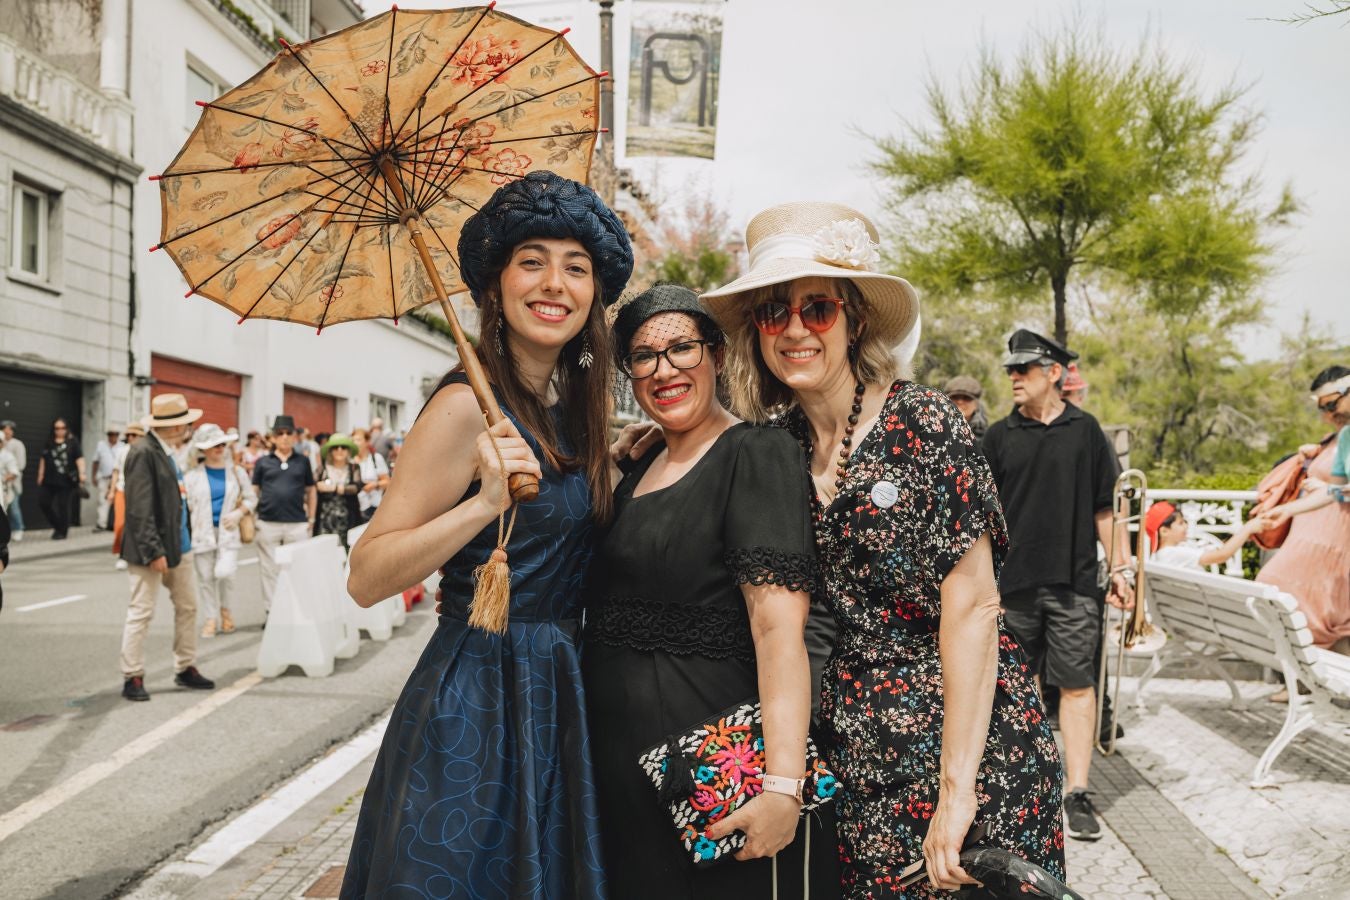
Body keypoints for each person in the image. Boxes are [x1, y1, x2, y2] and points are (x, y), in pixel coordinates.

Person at [701, 203, 1064, 896]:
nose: (796, 330)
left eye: (817, 309)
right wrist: (650, 443)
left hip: (974, 751)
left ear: (855, 321)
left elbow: (973, 610)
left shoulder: (922, 421)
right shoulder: (780, 448)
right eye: (774, 313)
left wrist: (956, 794)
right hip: (861, 757)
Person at [341, 171, 632, 899]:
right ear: (497, 285)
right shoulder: (463, 407)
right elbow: (367, 575)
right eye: (532, 261)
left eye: (576, 268)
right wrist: (483, 505)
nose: (554, 283)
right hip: (477, 693)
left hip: (559, 689)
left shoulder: (573, 413)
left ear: (594, 295)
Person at [584, 285, 838, 897]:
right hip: (619, 770)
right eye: (643, 356)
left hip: (714, 776)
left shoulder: (757, 453)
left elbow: (778, 631)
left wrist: (783, 786)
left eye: (682, 348)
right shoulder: (637, 466)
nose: (663, 369)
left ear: (718, 356)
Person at [980, 328, 1132, 843]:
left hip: (1075, 586)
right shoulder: (997, 437)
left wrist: (1122, 570)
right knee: (1009, 691)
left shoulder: (1086, 431)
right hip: (1011, 589)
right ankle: (1016, 786)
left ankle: (1077, 791)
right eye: (1011, 369)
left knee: (1077, 686)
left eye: (1023, 369)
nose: (1013, 377)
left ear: (1053, 374)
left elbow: (1106, 509)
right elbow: (981, 521)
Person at [118, 394, 215, 701]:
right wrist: (153, 551)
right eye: (186, 424)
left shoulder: (167, 450)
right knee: (141, 612)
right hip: (152, 550)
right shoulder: (142, 451)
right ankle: (132, 675)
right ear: (173, 426)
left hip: (178, 545)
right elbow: (139, 508)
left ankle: (185, 666)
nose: (188, 429)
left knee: (187, 607)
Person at [1256, 366, 1350, 653]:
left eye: (1331, 404)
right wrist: (1289, 509)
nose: (1328, 414)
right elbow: (1335, 491)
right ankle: (1310, 673)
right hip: (1321, 540)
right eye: (1323, 408)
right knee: (1278, 588)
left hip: (1338, 543)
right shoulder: (1344, 437)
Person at [185, 424, 255, 637]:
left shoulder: (237, 472)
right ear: (203, 449)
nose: (219, 448)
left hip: (228, 531)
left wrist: (238, 513)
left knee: (225, 573)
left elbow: (251, 498)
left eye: (222, 444)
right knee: (205, 578)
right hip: (202, 533)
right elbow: (187, 505)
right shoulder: (192, 476)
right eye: (214, 445)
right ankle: (210, 618)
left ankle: (226, 610)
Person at [252, 415, 317, 619]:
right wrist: (254, 518)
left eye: (289, 433)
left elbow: (311, 491)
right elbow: (254, 491)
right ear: (273, 437)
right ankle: (272, 614)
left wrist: (312, 518)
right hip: (268, 522)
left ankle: (296, 613)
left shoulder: (303, 461)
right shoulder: (263, 462)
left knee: (297, 569)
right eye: (280, 433)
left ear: (295, 437)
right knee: (269, 570)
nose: (285, 437)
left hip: (297, 523)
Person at [1146, 501, 1266, 569]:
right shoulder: (1172, 554)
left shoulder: (1163, 555)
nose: (1186, 526)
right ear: (1164, 531)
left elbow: (1217, 551)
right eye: (1181, 523)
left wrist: (1240, 538)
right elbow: (1221, 555)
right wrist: (1247, 528)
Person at [36, 418, 86, 539]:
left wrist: (82, 473)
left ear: (66, 429)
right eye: (57, 428)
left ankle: (63, 532)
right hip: (49, 480)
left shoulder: (72, 442)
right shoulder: (49, 442)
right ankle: (58, 526)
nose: (60, 430)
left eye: (63, 428)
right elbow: (43, 459)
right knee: (44, 503)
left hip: (66, 481)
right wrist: (40, 474)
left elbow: (79, 458)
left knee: (63, 506)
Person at [313, 433, 362, 548]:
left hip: (348, 519)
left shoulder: (354, 468)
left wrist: (333, 488)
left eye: (343, 447)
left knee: (347, 551)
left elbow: (356, 488)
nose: (339, 450)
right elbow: (313, 486)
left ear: (348, 451)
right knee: (325, 550)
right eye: (335, 447)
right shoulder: (322, 469)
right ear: (330, 451)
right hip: (325, 520)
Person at [110, 424, 145, 571]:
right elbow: (116, 471)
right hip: (122, 489)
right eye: (128, 435)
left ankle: (136, 553)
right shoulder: (122, 451)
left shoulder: (146, 452)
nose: (131, 438)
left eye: (134, 435)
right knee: (120, 524)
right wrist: (111, 490)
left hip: (139, 492)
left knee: (138, 524)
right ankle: (121, 553)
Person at [351, 428, 390, 522]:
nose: (355, 443)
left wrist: (375, 485)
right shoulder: (350, 460)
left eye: (358, 440)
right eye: (353, 440)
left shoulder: (376, 459)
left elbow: (387, 482)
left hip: (373, 506)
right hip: (354, 507)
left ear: (367, 442)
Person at [943, 374, 988, 440]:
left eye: (966, 397)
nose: (960, 402)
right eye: (954, 397)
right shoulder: (933, 430)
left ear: (976, 404)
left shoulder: (987, 437)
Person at [0, 420, 24, 541]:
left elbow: (20, 466)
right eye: (4, 428)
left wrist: (6, 477)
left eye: (9, 429)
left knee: (14, 508)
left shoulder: (17, 445)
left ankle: (18, 529)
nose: (7, 431)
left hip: (12, 485)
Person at [93, 428, 120, 530]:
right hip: (104, 477)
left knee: (117, 501)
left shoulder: (122, 446)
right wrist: (93, 476)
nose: (113, 437)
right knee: (102, 500)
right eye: (111, 434)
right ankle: (102, 523)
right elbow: (95, 461)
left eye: (115, 434)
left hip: (117, 479)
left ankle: (114, 523)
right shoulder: (101, 445)